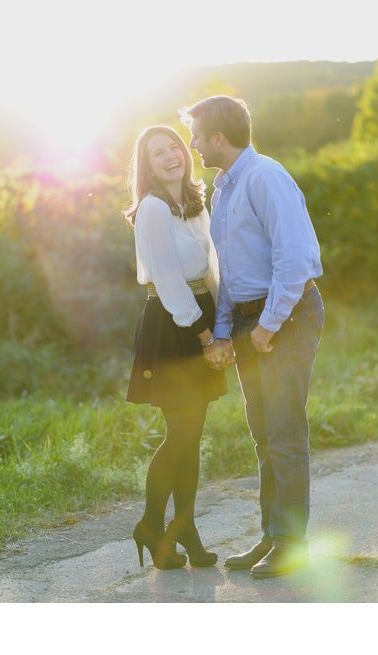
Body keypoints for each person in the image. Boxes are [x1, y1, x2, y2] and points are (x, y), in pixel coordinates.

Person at [185, 95, 324, 579]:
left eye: (198, 136)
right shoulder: (223, 188)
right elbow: (231, 270)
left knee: (285, 432)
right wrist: (225, 331)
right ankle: (272, 536)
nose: (194, 145)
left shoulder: (266, 178)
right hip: (247, 320)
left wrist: (267, 326)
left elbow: (297, 260)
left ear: (219, 137)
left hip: (285, 316)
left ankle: (292, 544)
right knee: (263, 432)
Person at [123, 125, 228, 570]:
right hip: (172, 325)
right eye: (157, 153)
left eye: (174, 148)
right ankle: (153, 523)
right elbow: (167, 280)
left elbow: (211, 269)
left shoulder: (193, 203)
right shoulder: (152, 209)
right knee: (181, 434)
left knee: (192, 435)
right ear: (146, 166)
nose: (170, 156)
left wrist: (222, 327)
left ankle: (182, 525)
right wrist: (205, 335)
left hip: (200, 316)